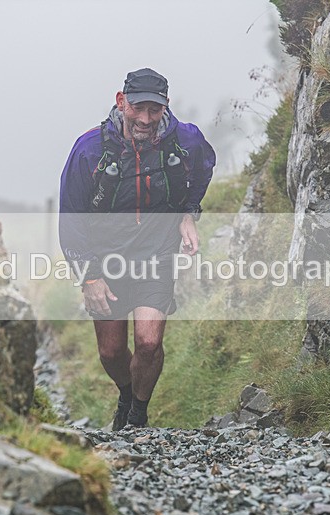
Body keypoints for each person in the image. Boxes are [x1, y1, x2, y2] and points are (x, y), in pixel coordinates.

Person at [58, 67, 216, 430]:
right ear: (121, 101)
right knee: (111, 352)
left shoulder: (184, 140)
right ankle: (127, 393)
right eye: (138, 108)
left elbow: (205, 166)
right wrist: (89, 276)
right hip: (105, 258)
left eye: (154, 110)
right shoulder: (89, 149)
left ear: (165, 107)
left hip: (156, 254)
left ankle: (137, 417)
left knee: (147, 343)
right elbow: (71, 216)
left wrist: (188, 213)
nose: (145, 119)